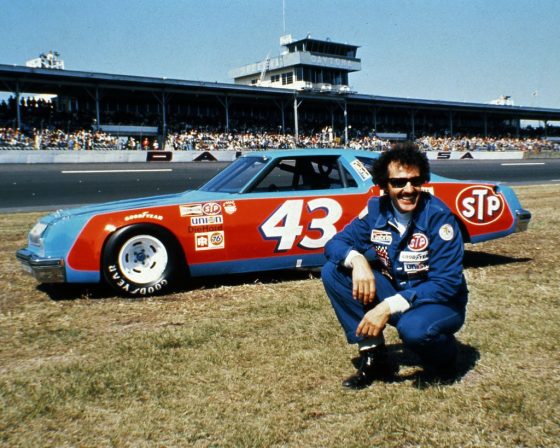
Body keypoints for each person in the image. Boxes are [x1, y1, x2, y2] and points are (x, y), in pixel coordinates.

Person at [321, 142, 468, 389]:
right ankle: (374, 357)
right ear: (384, 185)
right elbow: (335, 244)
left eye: (415, 180)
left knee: (415, 330)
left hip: (440, 301)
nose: (408, 189)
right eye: (398, 182)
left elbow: (447, 283)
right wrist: (357, 260)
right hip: (399, 291)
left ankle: (447, 359)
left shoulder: (439, 217)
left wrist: (388, 306)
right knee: (335, 272)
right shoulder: (376, 209)